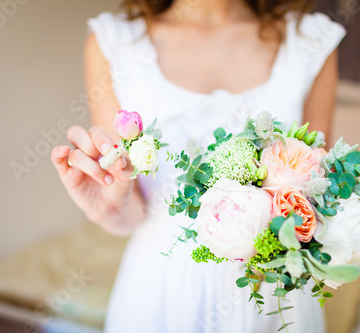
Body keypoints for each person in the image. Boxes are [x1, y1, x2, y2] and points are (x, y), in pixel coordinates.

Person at [51, 0, 345, 331]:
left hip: (273, 298)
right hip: (159, 292)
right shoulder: (114, 42)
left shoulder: (310, 40)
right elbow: (132, 212)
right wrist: (107, 209)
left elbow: (313, 195)